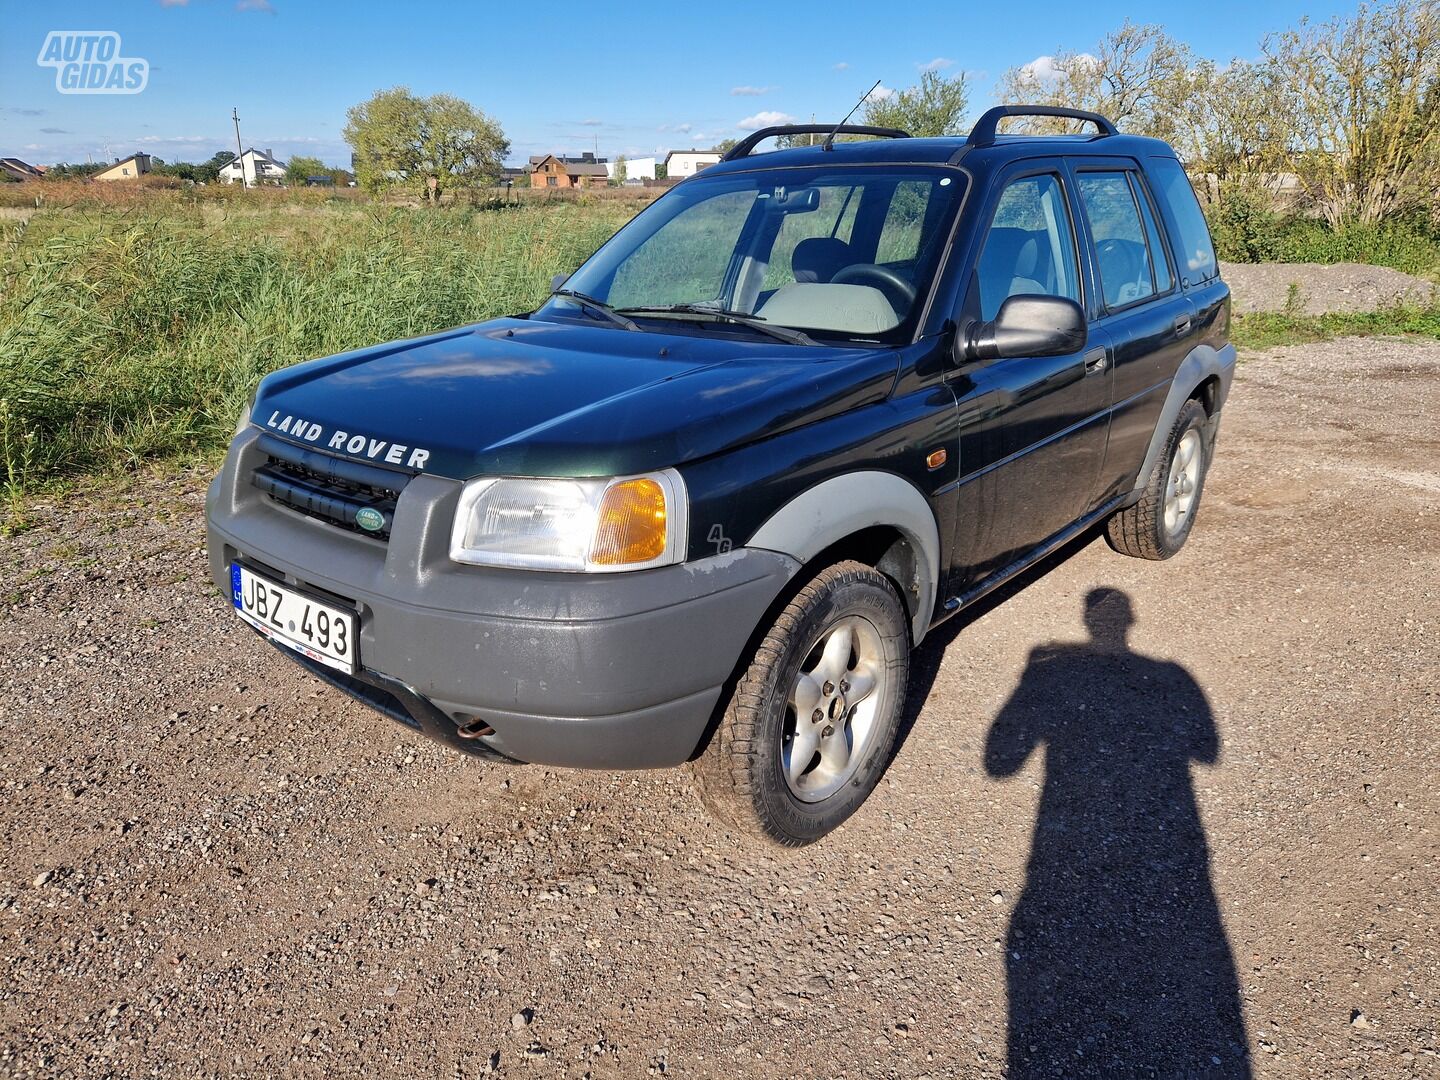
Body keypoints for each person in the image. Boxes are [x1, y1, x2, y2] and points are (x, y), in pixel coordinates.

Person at [985, 587, 1251, 1078]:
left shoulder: (1049, 670)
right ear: (1132, 621)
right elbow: (1208, 750)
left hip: (1057, 851)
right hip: (1171, 849)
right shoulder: (1171, 677)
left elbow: (1000, 762)